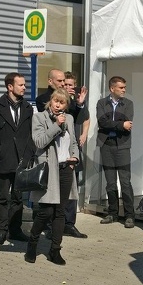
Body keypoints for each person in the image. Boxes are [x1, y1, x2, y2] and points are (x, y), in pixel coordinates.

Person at [26, 89, 80, 265]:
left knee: (60, 212)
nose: (58, 105)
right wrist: (56, 125)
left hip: (65, 169)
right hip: (49, 170)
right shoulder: (39, 118)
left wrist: (74, 158)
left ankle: (55, 250)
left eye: (62, 102)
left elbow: (73, 142)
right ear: (50, 101)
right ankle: (32, 243)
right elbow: (40, 142)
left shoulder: (70, 119)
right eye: (55, 101)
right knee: (46, 211)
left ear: (66, 105)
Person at [0, 72, 34, 246]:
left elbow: (32, 134)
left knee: (18, 198)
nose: (24, 87)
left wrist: (28, 155)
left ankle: (15, 230)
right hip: (4, 160)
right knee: (3, 197)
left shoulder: (28, 108)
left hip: (22, 161)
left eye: (25, 85)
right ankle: (1, 231)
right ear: (10, 87)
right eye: (21, 85)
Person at [96, 76, 136, 228]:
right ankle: (112, 213)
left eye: (124, 87)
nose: (124, 90)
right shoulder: (101, 103)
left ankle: (129, 215)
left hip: (122, 146)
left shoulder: (128, 104)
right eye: (121, 87)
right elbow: (102, 122)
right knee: (110, 182)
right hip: (107, 145)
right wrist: (120, 124)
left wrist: (114, 124)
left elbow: (128, 122)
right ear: (112, 89)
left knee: (125, 181)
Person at [62, 71, 89, 238]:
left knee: (73, 191)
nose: (69, 88)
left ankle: (69, 224)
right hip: (58, 153)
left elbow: (84, 119)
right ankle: (55, 224)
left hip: (73, 151)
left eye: (71, 85)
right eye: (66, 84)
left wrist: (79, 104)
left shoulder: (77, 103)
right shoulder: (55, 101)